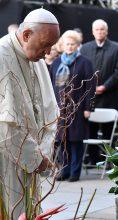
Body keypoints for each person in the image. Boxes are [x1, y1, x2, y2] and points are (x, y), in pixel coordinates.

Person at [0, 8, 60, 219]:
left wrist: (42, 152)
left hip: (31, 156)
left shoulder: (37, 59)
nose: (48, 53)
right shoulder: (2, 56)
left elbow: (50, 110)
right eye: (45, 46)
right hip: (6, 160)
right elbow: (5, 127)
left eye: (51, 47)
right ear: (27, 35)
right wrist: (36, 159)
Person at [49, 30, 96, 182]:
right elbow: (50, 86)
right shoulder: (56, 62)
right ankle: (64, 170)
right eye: (67, 44)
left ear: (77, 45)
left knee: (76, 141)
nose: (69, 47)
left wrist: (89, 107)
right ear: (62, 45)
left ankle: (75, 172)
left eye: (72, 44)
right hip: (60, 109)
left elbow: (90, 87)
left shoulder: (85, 62)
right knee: (62, 141)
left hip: (78, 107)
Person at [80, 19, 118, 165]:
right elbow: (82, 71)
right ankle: (93, 159)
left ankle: (108, 159)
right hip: (90, 96)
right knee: (90, 129)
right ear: (92, 31)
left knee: (107, 130)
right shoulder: (85, 48)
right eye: (97, 29)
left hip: (108, 96)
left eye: (102, 29)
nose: (100, 32)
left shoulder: (116, 48)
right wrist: (91, 87)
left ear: (107, 31)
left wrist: (105, 86)